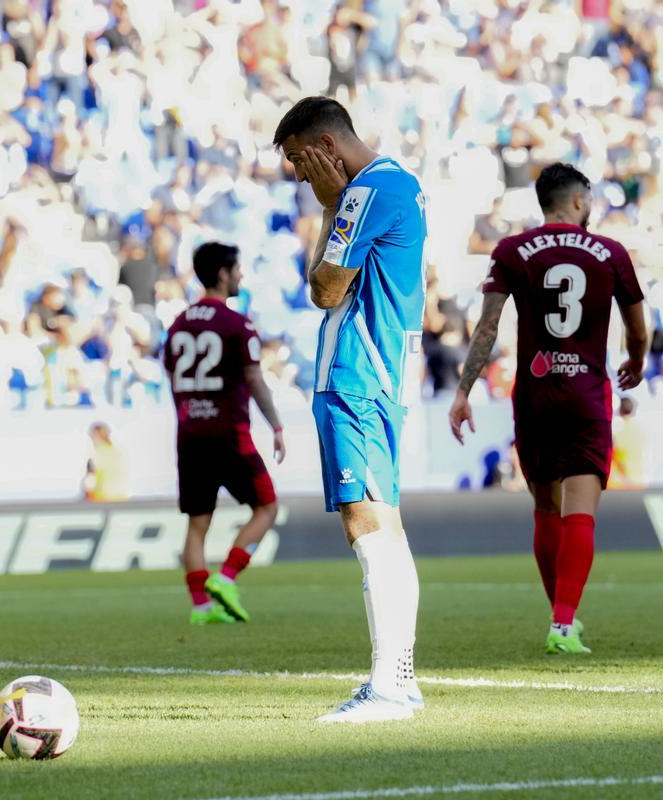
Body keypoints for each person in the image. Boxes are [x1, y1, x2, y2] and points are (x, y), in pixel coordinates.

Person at [449, 163, 646, 655]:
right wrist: (637, 363)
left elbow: (488, 328)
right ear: (578, 201)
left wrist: (462, 392)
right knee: (581, 510)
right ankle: (563, 623)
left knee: (544, 508)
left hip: (535, 393)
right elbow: (639, 329)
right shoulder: (611, 253)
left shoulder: (512, 250)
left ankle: (560, 618)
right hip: (586, 395)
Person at [273, 97, 427, 722]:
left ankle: (389, 689)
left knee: (367, 525)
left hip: (356, 373)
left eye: (299, 163)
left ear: (326, 148)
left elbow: (324, 289)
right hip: (387, 373)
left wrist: (334, 204)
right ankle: (401, 680)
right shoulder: (404, 182)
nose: (300, 179)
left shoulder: (362, 193)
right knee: (386, 525)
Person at [163, 242, 285, 627]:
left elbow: (171, 377)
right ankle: (227, 578)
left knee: (198, 524)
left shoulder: (178, 323)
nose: (241, 276)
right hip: (230, 434)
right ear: (222, 274)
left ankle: (201, 608)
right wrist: (276, 425)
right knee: (266, 506)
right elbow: (254, 378)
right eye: (236, 269)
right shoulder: (237, 324)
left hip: (190, 435)